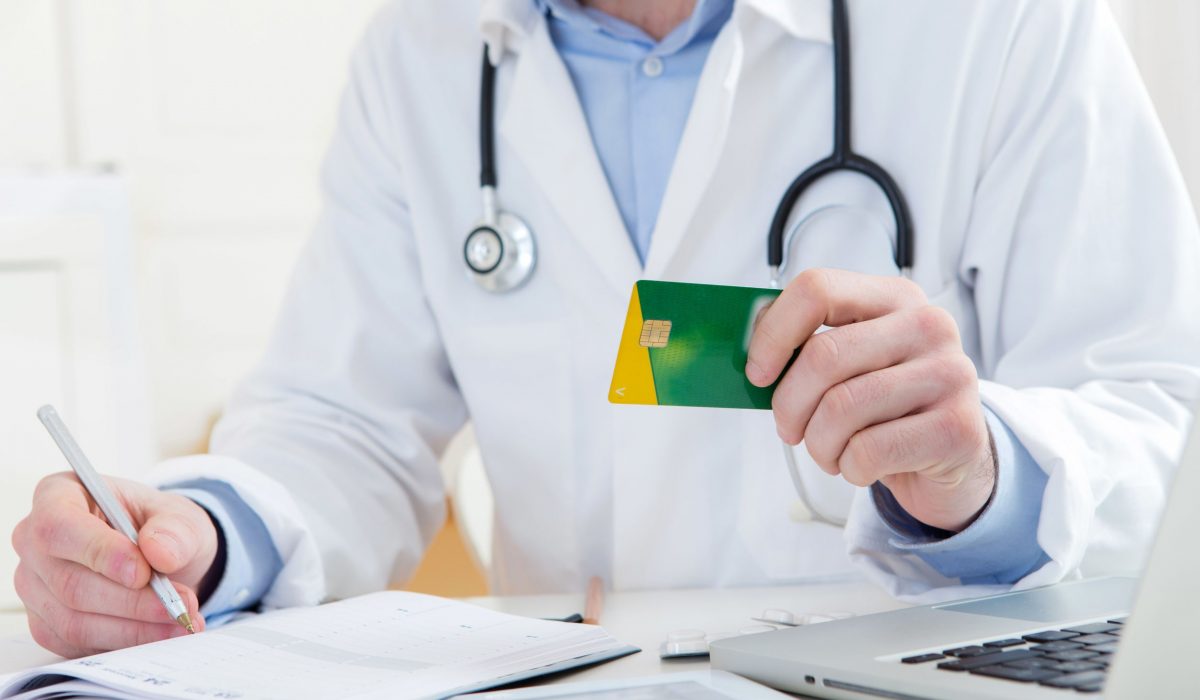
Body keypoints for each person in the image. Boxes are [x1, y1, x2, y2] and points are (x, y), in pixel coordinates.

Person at [12, 0, 1200, 658]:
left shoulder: (1007, 24)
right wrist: (203, 537)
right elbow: (344, 424)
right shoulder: (425, 54)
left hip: (915, 681)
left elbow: (1164, 419)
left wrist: (980, 469)